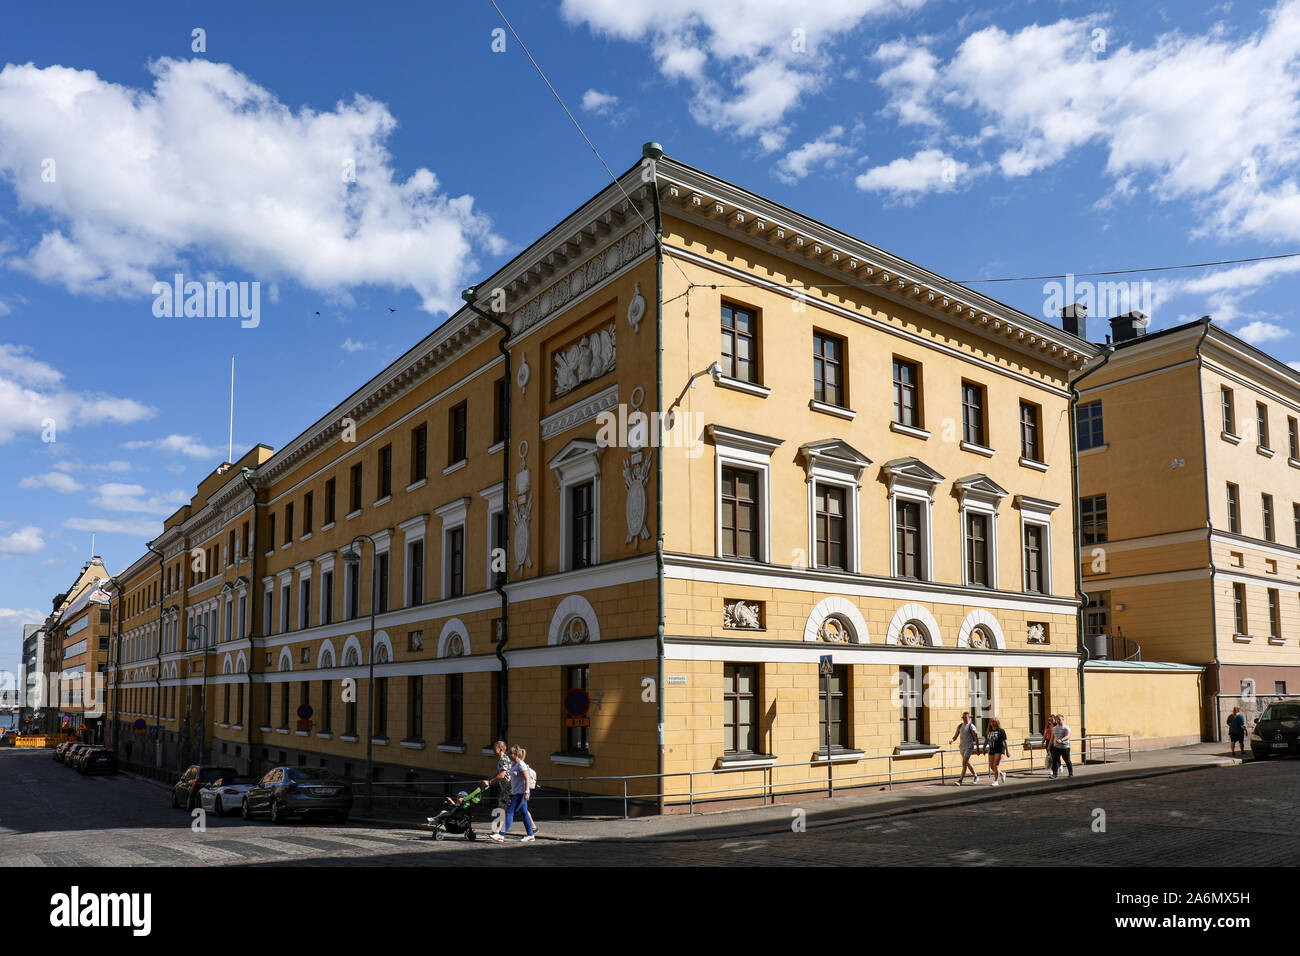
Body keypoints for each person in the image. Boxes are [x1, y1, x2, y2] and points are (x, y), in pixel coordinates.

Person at [489, 745, 535, 843]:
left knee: (509, 812)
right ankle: (531, 835)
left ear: (515, 754)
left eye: (510, 754)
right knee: (524, 813)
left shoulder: (521, 764)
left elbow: (526, 779)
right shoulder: (514, 764)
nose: (509, 755)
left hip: (521, 793)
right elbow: (511, 781)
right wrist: (504, 790)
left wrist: (526, 792)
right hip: (516, 792)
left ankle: (501, 835)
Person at [948, 712, 981, 785]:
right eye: (963, 717)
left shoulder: (971, 726)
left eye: (965, 717)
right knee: (967, 763)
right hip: (962, 747)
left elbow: (976, 738)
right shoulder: (960, 726)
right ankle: (976, 776)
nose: (964, 719)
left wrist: (978, 749)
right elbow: (955, 736)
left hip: (969, 746)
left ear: (969, 717)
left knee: (964, 763)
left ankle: (960, 780)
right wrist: (952, 740)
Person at [985, 717, 1008, 785]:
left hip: (999, 749)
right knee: (991, 766)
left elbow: (1005, 742)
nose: (992, 723)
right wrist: (983, 748)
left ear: (997, 722)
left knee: (996, 765)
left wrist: (1007, 751)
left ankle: (996, 781)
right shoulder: (989, 731)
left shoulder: (1001, 731)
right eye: (991, 721)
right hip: (992, 749)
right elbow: (987, 740)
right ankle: (1001, 773)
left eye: (994, 721)